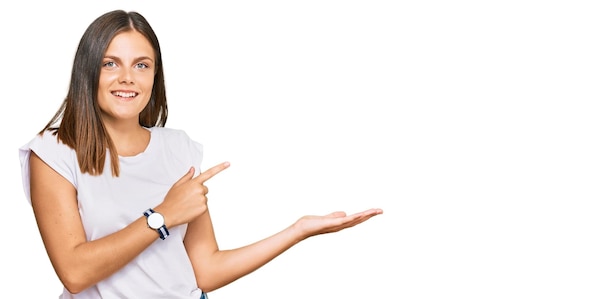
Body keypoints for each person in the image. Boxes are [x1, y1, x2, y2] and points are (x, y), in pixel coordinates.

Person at [18, 9, 383, 299]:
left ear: (154, 76)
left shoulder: (178, 149)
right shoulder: (54, 152)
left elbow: (204, 269)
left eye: (141, 65)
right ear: (88, 71)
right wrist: (161, 216)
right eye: (110, 63)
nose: (127, 77)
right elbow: (75, 273)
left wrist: (298, 230)